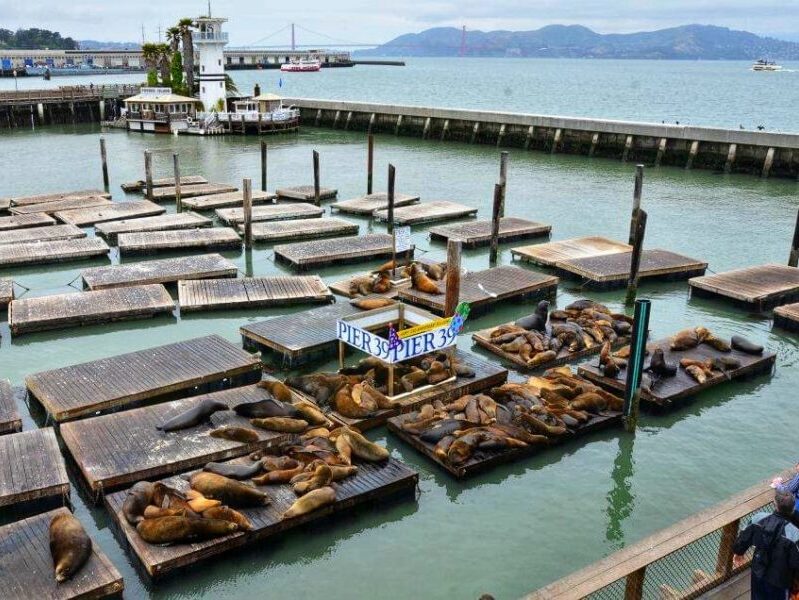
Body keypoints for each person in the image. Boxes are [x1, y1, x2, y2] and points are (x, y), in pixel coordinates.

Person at [732, 489, 799, 600]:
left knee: (757, 596)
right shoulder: (795, 534)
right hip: (780, 578)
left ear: (775, 504)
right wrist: (795, 585)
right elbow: (796, 562)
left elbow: (744, 536)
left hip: (759, 569)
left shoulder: (759, 518)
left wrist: (739, 552)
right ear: (793, 508)